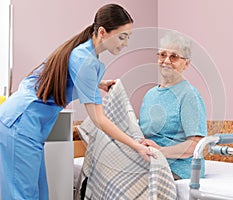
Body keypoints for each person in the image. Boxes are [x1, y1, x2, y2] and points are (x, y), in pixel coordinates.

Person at [0, 4, 154, 200]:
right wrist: (136, 146)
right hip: (19, 123)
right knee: (21, 196)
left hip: (27, 125)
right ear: (102, 32)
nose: (125, 43)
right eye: (122, 37)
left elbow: (74, 78)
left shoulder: (86, 53)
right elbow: (99, 119)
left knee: (38, 194)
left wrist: (101, 84)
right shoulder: (84, 59)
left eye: (128, 38)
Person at [139, 31, 207, 180]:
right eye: (162, 55)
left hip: (180, 169)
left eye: (174, 56)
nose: (166, 61)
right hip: (152, 162)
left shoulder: (189, 95)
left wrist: (160, 151)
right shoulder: (150, 95)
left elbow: (195, 145)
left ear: (186, 64)